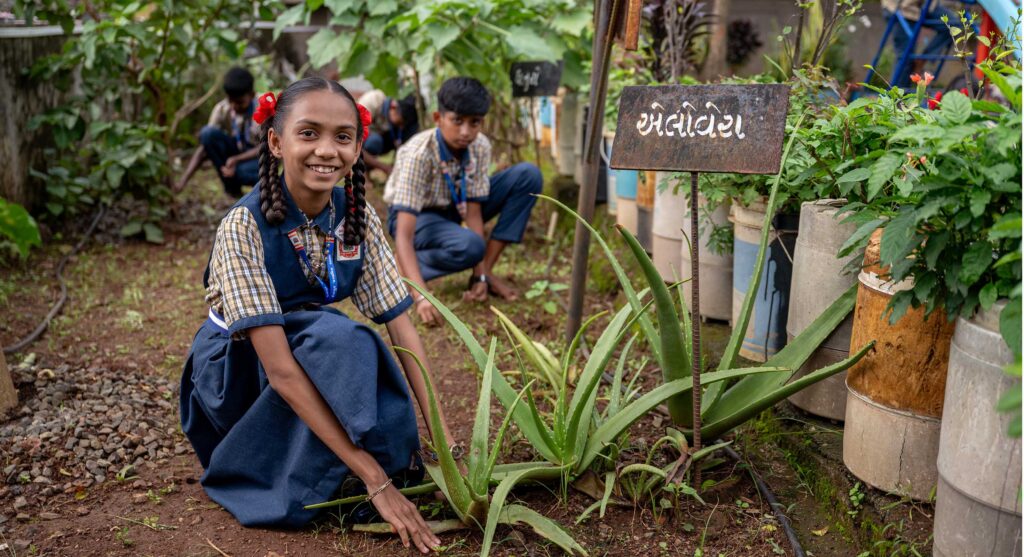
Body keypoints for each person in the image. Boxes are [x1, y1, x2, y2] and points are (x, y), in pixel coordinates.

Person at [179, 76, 451, 553]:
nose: (327, 150)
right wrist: (374, 477)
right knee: (339, 337)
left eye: (343, 137)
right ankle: (322, 471)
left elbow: (403, 331)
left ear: (358, 145)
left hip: (307, 343)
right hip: (240, 371)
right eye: (309, 133)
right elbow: (280, 369)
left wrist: (447, 450)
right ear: (276, 141)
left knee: (345, 338)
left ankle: (357, 463)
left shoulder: (356, 216)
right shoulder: (244, 225)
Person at [384, 77, 543, 325]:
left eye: (474, 123)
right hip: (417, 218)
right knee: (469, 245)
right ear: (438, 118)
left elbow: (473, 211)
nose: (466, 131)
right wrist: (421, 296)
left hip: (454, 208)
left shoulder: (479, 146)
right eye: (457, 121)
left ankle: (484, 274)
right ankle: (399, 270)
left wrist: (479, 274)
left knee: (527, 176)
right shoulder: (419, 154)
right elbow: (403, 234)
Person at [175, 67, 261, 197]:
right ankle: (232, 187)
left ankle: (263, 191)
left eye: (239, 102)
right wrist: (183, 181)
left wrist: (236, 159)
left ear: (252, 95)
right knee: (207, 133)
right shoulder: (222, 109)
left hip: (259, 158)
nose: (233, 106)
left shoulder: (264, 107)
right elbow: (205, 146)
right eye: (230, 101)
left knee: (241, 171)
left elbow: (268, 146)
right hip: (236, 152)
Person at [882, 0, 964, 86]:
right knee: (905, 56)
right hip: (901, 8)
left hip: (925, 6)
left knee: (953, 25)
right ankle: (899, 95)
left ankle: (921, 60)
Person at [357, 89, 420, 175]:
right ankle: (362, 173)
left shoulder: (396, 116)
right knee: (374, 142)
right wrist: (385, 168)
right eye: (399, 123)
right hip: (363, 142)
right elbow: (355, 146)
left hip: (380, 137)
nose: (401, 127)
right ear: (393, 107)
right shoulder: (371, 102)